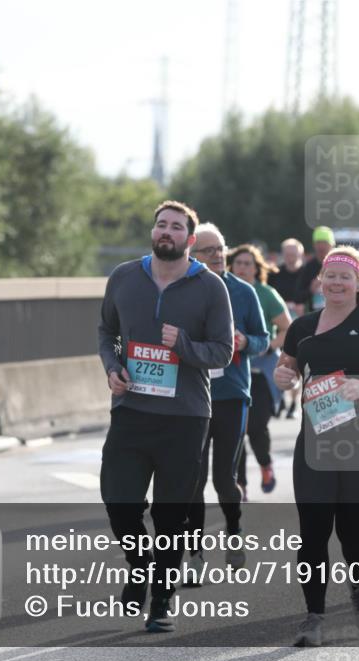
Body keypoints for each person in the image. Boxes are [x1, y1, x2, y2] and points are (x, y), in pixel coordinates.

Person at [98, 200, 233, 632]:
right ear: (153, 232)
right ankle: (140, 567)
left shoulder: (210, 286)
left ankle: (161, 601)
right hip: (131, 410)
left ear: (189, 239)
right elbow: (107, 332)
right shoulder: (124, 277)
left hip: (185, 418)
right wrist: (112, 367)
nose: (166, 232)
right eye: (161, 225)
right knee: (119, 502)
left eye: (176, 227)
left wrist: (184, 345)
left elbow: (223, 352)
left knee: (171, 516)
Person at [274, 245, 359, 647]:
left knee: (353, 532)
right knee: (313, 533)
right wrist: (284, 378)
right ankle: (313, 615)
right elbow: (287, 369)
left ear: (357, 282)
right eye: (330, 275)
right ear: (320, 280)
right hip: (315, 442)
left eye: (344, 277)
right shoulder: (302, 327)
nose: (336, 282)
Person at [184, 223, 269, 579]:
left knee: (223, 478)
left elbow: (263, 338)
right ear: (192, 254)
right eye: (209, 250)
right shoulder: (182, 290)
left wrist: (246, 342)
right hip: (192, 396)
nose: (218, 255)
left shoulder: (243, 292)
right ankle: (195, 556)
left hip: (232, 394)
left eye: (221, 249)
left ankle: (234, 530)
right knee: (193, 479)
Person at [229, 244, 291, 495]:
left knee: (255, 427)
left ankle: (265, 464)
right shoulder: (223, 290)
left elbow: (287, 328)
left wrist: (268, 347)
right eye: (238, 263)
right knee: (235, 430)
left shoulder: (266, 294)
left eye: (248, 264)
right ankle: (240, 485)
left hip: (261, 373)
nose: (243, 268)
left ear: (257, 269)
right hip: (232, 371)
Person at [269, 237, 305, 419]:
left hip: (302, 323)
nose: (290, 257)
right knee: (282, 362)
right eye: (287, 254)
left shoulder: (307, 273)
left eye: (293, 254)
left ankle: (293, 403)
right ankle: (281, 399)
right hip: (281, 324)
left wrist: (301, 305)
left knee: (297, 362)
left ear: (300, 254)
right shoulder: (275, 273)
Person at [295, 226, 335, 314]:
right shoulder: (308, 267)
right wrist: (311, 289)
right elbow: (298, 296)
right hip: (315, 315)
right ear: (314, 245)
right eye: (318, 243)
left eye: (324, 243)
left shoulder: (339, 265)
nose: (321, 246)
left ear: (331, 245)